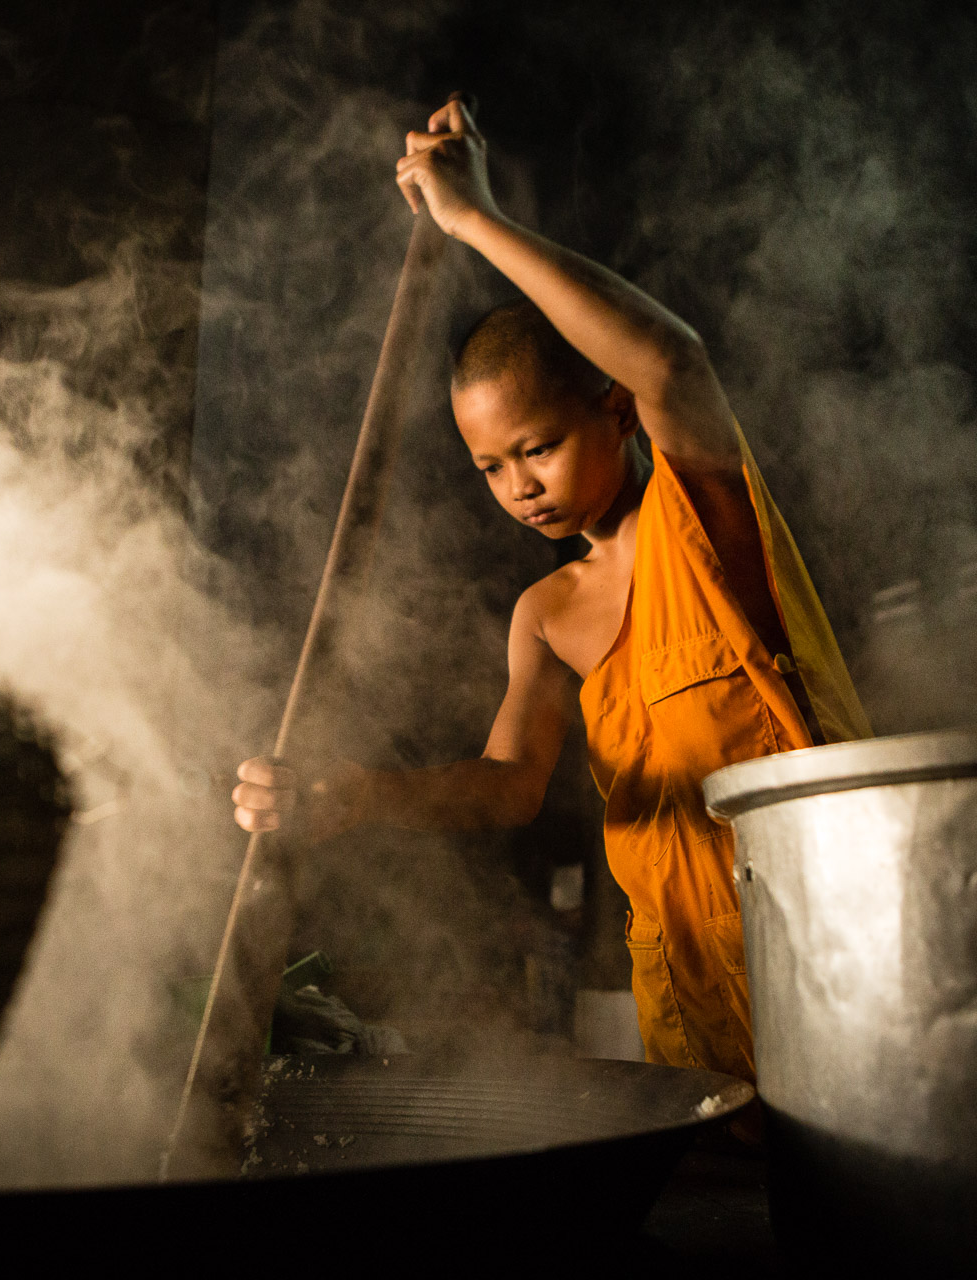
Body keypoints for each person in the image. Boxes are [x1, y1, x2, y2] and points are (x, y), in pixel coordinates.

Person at [231, 97, 871, 1083]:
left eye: (540, 447)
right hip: (690, 1008)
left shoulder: (705, 519)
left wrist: (474, 220)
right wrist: (358, 796)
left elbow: (673, 360)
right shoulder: (548, 616)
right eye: (490, 467)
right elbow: (509, 784)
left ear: (613, 412)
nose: (519, 487)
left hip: (832, 966)